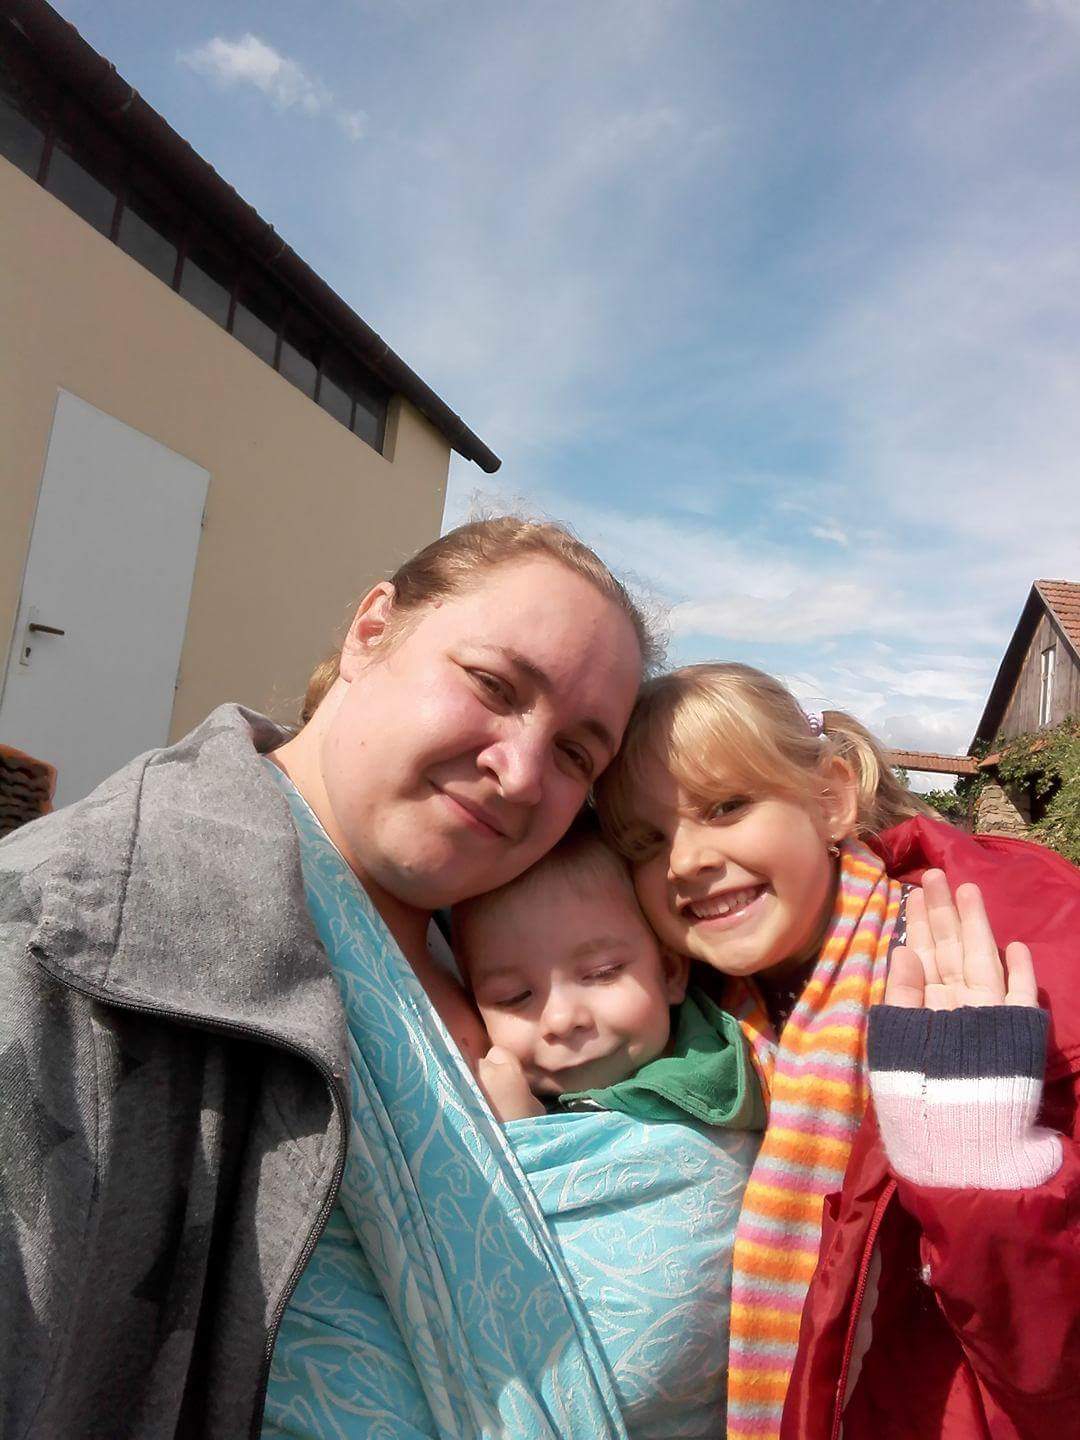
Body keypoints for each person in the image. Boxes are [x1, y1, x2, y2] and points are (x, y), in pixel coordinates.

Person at [0, 517, 650, 1440]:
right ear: (372, 630)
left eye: (577, 754)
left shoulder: (516, 964)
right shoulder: (64, 932)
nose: (519, 774)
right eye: (494, 686)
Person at [595, 661, 1080, 1440]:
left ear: (829, 800)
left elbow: (1052, 1374)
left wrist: (984, 1180)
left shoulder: (1002, 982)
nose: (684, 861)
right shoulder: (687, 1019)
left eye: (725, 806)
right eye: (646, 842)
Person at [452, 823, 764, 1437]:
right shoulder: (499, 1096)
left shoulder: (730, 1078)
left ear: (671, 971)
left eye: (599, 973)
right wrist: (524, 1133)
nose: (561, 1019)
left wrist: (522, 1139)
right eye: (514, 997)